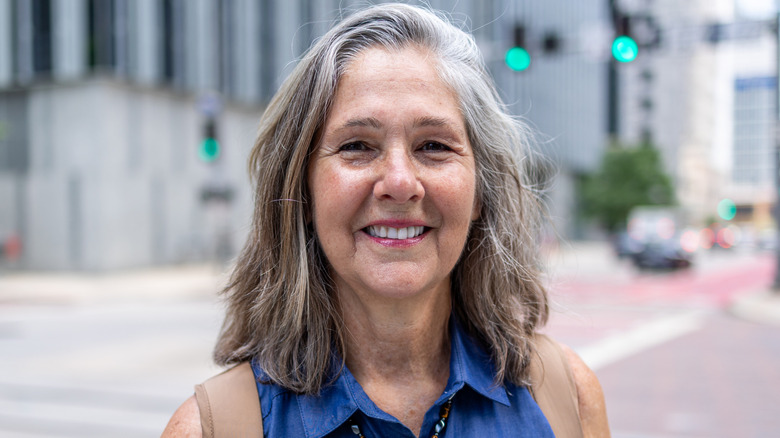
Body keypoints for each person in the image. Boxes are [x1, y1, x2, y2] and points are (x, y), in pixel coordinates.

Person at [163, 3, 609, 437]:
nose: (400, 182)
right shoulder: (209, 429)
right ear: (302, 192)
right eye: (357, 146)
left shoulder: (568, 399)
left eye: (433, 145)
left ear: (480, 193)